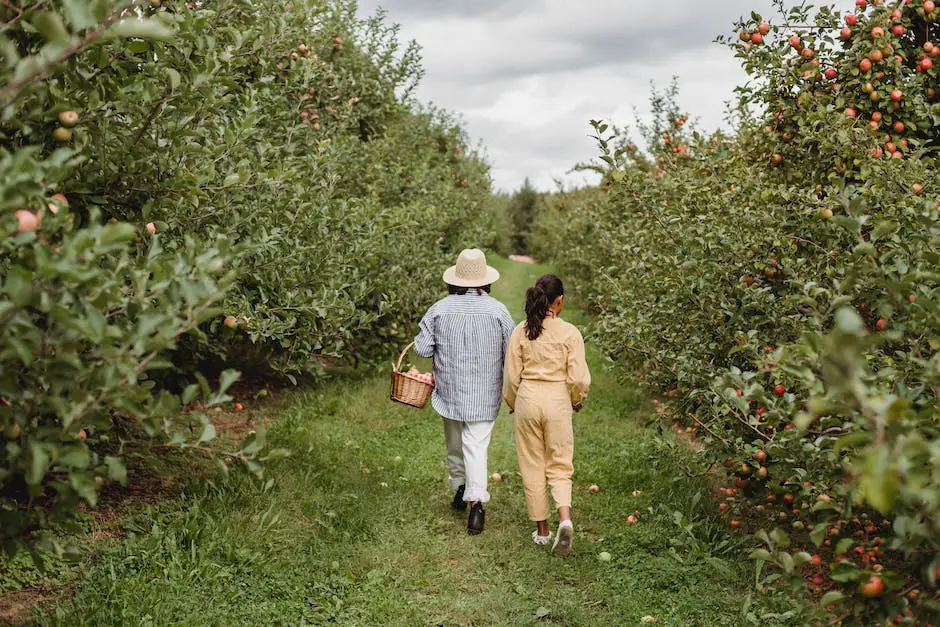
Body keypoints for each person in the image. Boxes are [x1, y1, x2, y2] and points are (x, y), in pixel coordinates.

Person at [414, 248, 515, 535]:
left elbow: (421, 348)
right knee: (476, 446)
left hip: (450, 391)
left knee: (454, 443)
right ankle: (476, 505)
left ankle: (460, 488)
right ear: (485, 280)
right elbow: (512, 351)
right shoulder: (498, 310)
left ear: (455, 279)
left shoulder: (440, 309)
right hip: (485, 393)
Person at [503, 274, 590, 556]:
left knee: (532, 464)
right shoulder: (569, 333)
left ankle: (542, 531)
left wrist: (515, 403)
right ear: (560, 301)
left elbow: (512, 377)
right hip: (556, 399)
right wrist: (576, 400)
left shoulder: (521, 331)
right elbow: (578, 379)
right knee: (560, 463)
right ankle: (565, 518)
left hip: (528, 397)